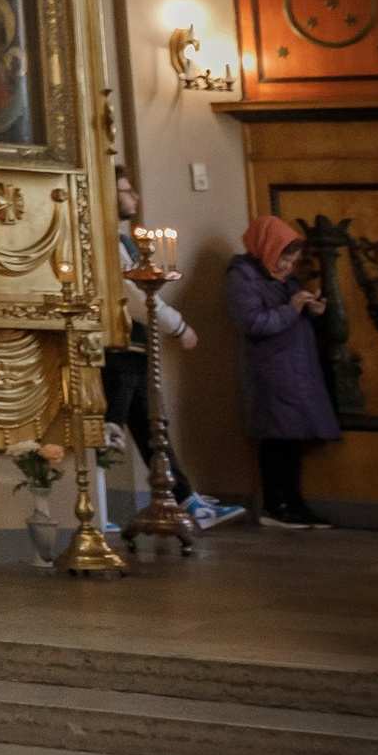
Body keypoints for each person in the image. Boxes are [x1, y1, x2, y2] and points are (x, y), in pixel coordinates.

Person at [103, 166, 240, 530]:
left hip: (133, 348)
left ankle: (187, 501)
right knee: (107, 430)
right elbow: (132, 295)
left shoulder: (121, 239)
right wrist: (177, 325)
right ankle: (94, 514)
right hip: (116, 348)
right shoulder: (106, 241)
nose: (134, 197)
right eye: (126, 190)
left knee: (152, 430)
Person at [228, 212, 341, 528]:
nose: (287, 266)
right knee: (277, 437)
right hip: (270, 370)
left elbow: (292, 316)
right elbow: (252, 323)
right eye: (283, 258)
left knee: (292, 438)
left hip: (296, 368)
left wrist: (314, 311)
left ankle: (294, 503)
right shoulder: (241, 276)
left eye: (292, 261)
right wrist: (292, 309)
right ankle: (275, 505)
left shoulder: (285, 279)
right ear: (266, 248)